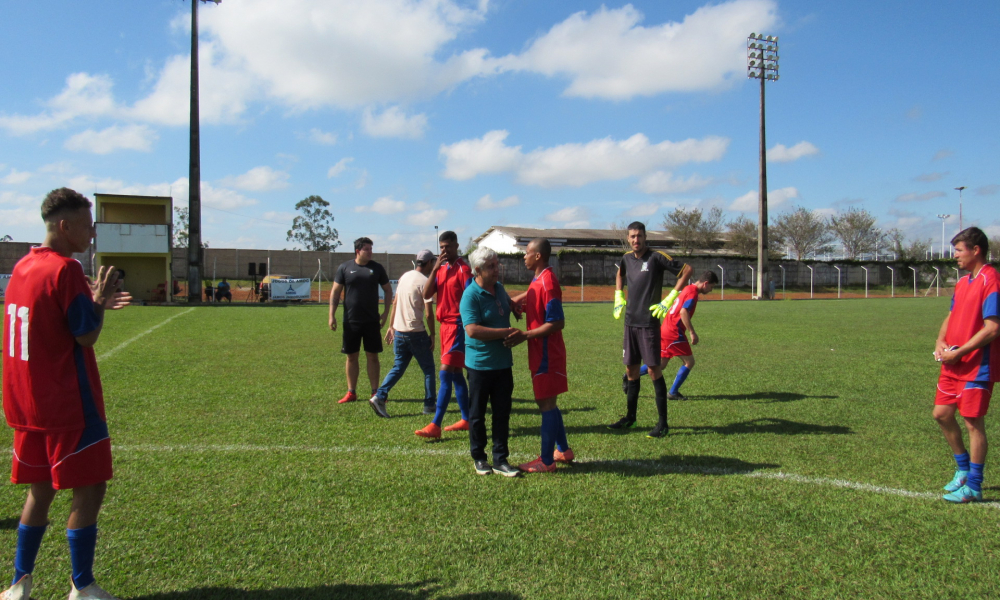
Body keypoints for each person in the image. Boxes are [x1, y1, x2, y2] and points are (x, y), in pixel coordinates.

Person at [1, 187, 131, 600]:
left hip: (26, 405)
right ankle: (82, 585)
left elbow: (51, 319)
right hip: (67, 404)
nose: (92, 232)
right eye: (88, 224)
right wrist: (99, 301)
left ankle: (19, 582)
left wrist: (92, 303)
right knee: (90, 488)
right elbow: (86, 336)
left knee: (39, 490)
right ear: (65, 226)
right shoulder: (66, 269)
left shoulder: (23, 267)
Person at [932, 227, 999, 503]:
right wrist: (940, 341)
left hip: (976, 365)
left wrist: (961, 353)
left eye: (959, 250)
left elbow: (993, 328)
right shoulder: (962, 283)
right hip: (953, 363)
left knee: (973, 423)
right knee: (941, 414)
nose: (955, 256)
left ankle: (974, 484)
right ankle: (962, 470)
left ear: (976, 250)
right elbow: (951, 315)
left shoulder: (991, 279)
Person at [611, 221, 692, 438]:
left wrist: (670, 298)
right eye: (632, 236)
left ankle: (663, 424)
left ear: (645, 237)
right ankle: (630, 418)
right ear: (628, 238)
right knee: (631, 371)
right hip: (630, 324)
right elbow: (620, 273)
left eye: (639, 236)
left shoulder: (656, 257)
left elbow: (687, 270)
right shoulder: (627, 258)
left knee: (655, 370)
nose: (636, 240)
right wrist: (618, 295)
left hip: (649, 325)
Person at [508, 238, 574, 473]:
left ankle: (546, 461)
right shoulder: (538, 280)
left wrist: (525, 335)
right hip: (539, 352)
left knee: (546, 403)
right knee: (547, 401)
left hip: (548, 353)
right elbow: (535, 300)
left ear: (538, 256)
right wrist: (518, 302)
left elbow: (557, 322)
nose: (523, 256)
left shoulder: (548, 282)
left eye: (526, 253)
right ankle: (563, 450)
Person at [461, 247, 523, 476]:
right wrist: (504, 332)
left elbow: (505, 302)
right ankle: (479, 457)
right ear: (477, 270)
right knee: (477, 414)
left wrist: (514, 307)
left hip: (503, 363)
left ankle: (500, 459)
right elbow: (472, 330)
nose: (497, 270)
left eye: (497, 264)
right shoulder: (470, 295)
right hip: (480, 365)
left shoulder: (498, 288)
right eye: (491, 266)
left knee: (502, 412)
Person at [415, 231, 474, 439]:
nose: (444, 251)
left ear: (456, 246)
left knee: (445, 372)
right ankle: (466, 419)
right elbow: (426, 294)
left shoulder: (463, 268)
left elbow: (470, 296)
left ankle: (436, 424)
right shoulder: (441, 269)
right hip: (444, 327)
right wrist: (434, 270)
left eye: (448, 247)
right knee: (456, 373)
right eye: (441, 247)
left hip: (457, 326)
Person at [369, 250, 438, 419]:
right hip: (417, 332)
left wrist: (392, 326)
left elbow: (395, 302)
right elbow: (429, 314)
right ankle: (429, 405)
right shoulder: (426, 282)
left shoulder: (405, 276)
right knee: (428, 369)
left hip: (400, 332)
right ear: (429, 262)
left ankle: (379, 396)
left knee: (398, 367)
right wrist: (433, 334)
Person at [329, 237, 392, 405]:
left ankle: (375, 392)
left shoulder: (377, 268)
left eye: (371, 249)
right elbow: (335, 292)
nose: (370, 252)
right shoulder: (345, 268)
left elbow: (388, 290)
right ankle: (351, 392)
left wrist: (386, 312)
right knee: (351, 357)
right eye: (367, 249)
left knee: (373, 356)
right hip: (351, 320)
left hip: (372, 321)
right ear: (358, 251)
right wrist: (331, 315)